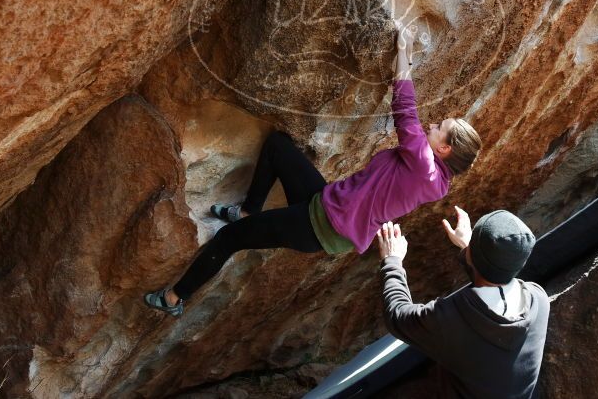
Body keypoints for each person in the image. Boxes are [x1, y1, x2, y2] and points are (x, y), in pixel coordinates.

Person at [144, 28, 483, 316]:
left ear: (444, 149)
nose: (433, 124)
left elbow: (405, 112)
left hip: (319, 226)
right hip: (324, 205)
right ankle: (248, 209)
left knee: (229, 239)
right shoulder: (435, 178)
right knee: (278, 146)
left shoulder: (425, 167)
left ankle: (174, 298)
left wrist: (403, 54)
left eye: (440, 127)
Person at [376, 208, 549, 399]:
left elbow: (397, 315)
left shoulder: (452, 319)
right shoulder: (538, 299)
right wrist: (472, 249)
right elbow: (492, 284)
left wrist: (392, 260)